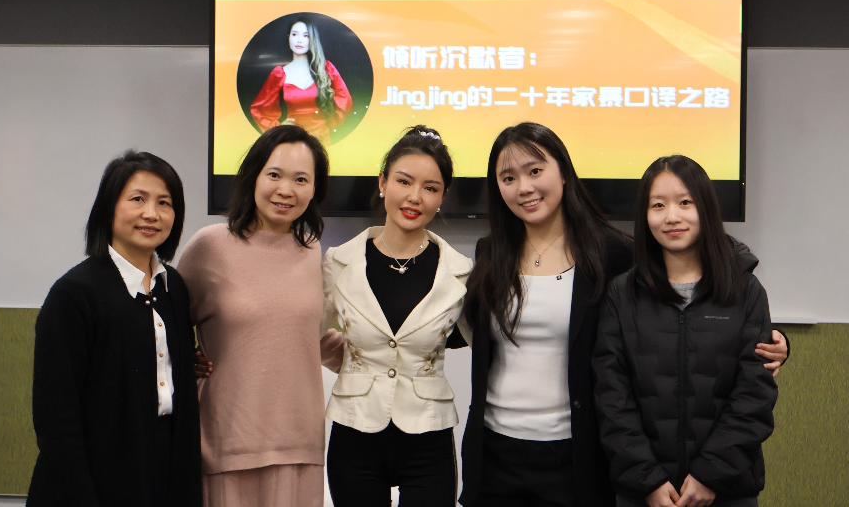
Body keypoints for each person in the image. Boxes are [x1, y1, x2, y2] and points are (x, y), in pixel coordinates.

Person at [458, 123, 787, 507]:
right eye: (508, 178)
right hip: (495, 451)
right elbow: (456, 330)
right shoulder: (490, 254)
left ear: (563, 172)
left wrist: (777, 338)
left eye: (535, 171)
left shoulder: (609, 253)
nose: (524, 187)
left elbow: (690, 270)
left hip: (577, 451)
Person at [593, 155, 778, 507]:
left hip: (727, 490)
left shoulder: (745, 291)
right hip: (643, 493)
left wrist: (711, 474)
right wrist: (647, 479)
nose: (672, 217)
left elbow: (754, 394)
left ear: (705, 208)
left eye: (685, 202)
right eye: (658, 205)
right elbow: (611, 396)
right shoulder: (622, 293)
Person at [178, 125, 343, 507]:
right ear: (253, 176)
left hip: (300, 445)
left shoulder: (313, 251)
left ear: (314, 190)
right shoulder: (209, 246)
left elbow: (306, 338)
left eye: (301, 179)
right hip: (226, 444)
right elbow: (164, 326)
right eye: (275, 175)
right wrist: (184, 357)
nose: (286, 190)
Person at [27, 150, 201, 507]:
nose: (151, 213)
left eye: (164, 203)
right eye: (138, 199)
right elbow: (56, 418)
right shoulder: (74, 295)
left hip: (164, 465)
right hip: (95, 475)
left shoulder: (174, 288)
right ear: (109, 207)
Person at [322, 125, 473, 507]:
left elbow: (483, 341)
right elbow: (308, 332)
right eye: (404, 181)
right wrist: (352, 362)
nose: (414, 197)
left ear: (442, 196)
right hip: (354, 433)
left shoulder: (460, 272)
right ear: (382, 182)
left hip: (429, 439)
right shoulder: (339, 262)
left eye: (430, 187)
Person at [250, 19, 353, 144]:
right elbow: (259, 109)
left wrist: (330, 123)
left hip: (322, 139)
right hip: (291, 139)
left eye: (306, 36)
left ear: (312, 40)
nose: (299, 40)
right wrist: (278, 127)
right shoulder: (279, 73)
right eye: (295, 34)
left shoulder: (326, 68)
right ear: (289, 38)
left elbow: (345, 101)